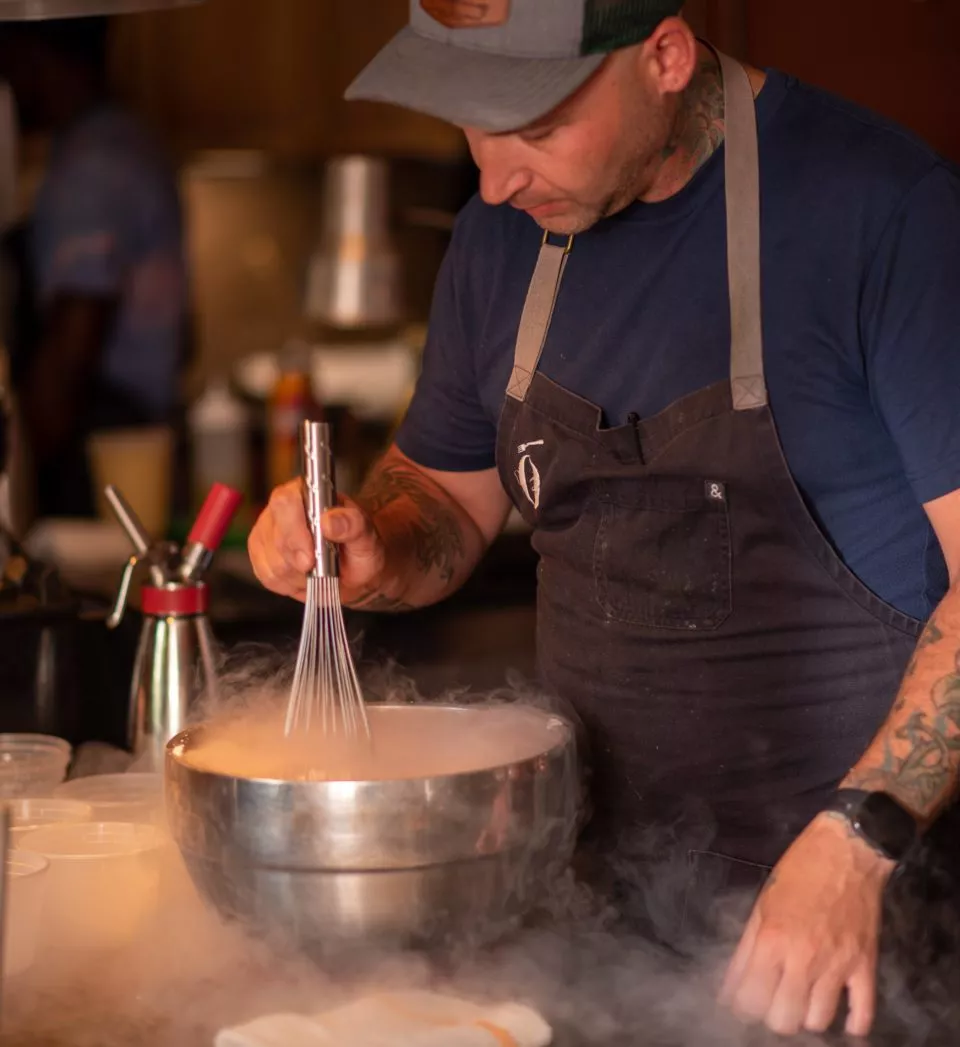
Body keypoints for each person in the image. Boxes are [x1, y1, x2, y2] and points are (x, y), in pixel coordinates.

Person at [248, 0, 960, 1036]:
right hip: (587, 912)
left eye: (534, 130)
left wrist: (859, 840)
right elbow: (444, 499)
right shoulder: (504, 237)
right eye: (474, 130)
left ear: (665, 55)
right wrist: (371, 545)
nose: (494, 181)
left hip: (856, 924)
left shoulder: (886, 213)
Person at [0, 17, 188, 518]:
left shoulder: (95, 166)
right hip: (133, 436)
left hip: (98, 454)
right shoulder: (124, 139)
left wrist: (19, 472)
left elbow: (73, 342)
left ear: (34, 59)